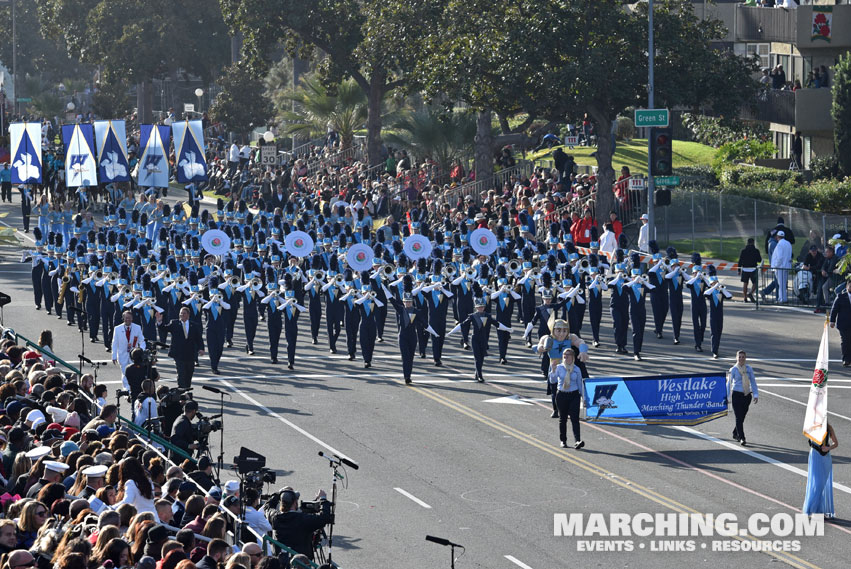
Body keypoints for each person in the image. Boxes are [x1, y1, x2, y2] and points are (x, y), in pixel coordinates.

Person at [271, 488, 332, 561]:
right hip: (302, 563)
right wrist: (323, 499)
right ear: (294, 502)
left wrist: (281, 493)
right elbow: (324, 518)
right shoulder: (302, 520)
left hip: (282, 561)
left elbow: (267, 506)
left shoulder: (275, 518)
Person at [156, 306, 205, 389]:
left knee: (189, 373)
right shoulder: (174, 323)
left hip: (190, 353)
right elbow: (164, 329)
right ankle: (181, 389)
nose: (181, 315)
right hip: (178, 353)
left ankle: (187, 388)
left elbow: (199, 339)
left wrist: (201, 348)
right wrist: (159, 322)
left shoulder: (194, 325)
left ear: (188, 315)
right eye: (180, 313)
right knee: (181, 372)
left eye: (184, 313)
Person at [550, 349, 587, 449]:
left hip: (574, 395)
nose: (566, 357)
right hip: (562, 395)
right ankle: (563, 440)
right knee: (563, 419)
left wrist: (584, 398)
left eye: (568, 355)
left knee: (575, 419)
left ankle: (577, 440)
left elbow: (580, 384)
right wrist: (553, 370)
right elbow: (552, 381)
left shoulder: (576, 369)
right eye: (564, 355)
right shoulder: (559, 367)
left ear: (573, 357)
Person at [803, 423, 838, 517]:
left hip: (826, 458)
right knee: (817, 484)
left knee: (821, 484)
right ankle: (814, 509)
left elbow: (836, 443)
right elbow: (808, 435)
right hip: (815, 456)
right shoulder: (812, 425)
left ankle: (819, 509)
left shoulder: (829, 428)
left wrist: (828, 448)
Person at [727, 350, 759, 446]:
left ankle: (735, 432)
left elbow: (753, 382)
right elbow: (729, 384)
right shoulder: (733, 369)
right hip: (736, 394)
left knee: (742, 417)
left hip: (746, 395)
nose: (741, 359)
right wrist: (727, 397)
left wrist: (756, 394)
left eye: (743, 357)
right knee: (738, 417)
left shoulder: (749, 369)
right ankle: (742, 437)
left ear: (745, 358)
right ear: (736, 358)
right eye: (739, 357)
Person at [829, 279, 851, 366]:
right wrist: (832, 320)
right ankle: (846, 359)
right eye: (850, 286)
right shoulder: (840, 297)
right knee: (845, 341)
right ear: (847, 287)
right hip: (844, 324)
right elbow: (834, 309)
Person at [770, 230, 793, 303]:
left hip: (780, 267)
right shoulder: (788, 243)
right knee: (783, 283)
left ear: (777, 237)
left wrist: (775, 266)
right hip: (786, 266)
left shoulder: (779, 244)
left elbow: (779, 258)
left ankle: (781, 299)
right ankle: (783, 298)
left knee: (781, 284)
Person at [737, 238, 762, 303]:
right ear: (753, 243)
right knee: (755, 283)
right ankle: (750, 293)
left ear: (747, 243)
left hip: (745, 269)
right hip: (753, 269)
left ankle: (745, 298)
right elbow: (759, 260)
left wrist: (739, 269)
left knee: (745, 283)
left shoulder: (743, 251)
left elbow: (740, 261)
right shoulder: (756, 251)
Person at [815, 245, 838, 314]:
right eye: (826, 252)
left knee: (829, 288)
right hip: (830, 277)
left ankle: (831, 303)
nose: (826, 253)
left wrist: (827, 272)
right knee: (824, 287)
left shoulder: (835, 258)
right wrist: (823, 270)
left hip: (836, 278)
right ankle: (827, 302)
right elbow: (823, 266)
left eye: (827, 252)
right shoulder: (827, 258)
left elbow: (831, 268)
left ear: (831, 252)